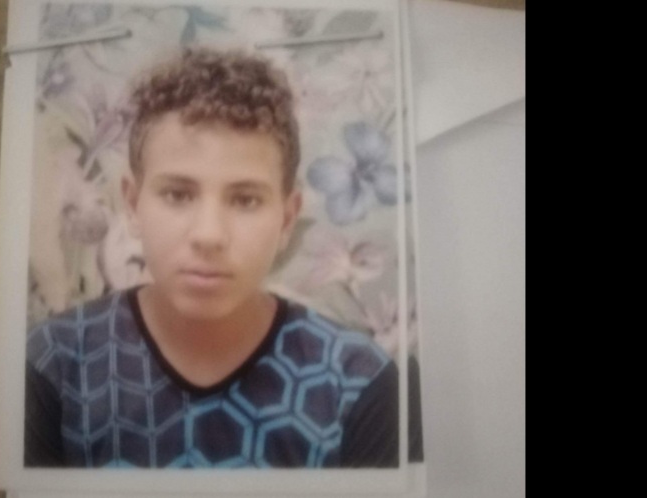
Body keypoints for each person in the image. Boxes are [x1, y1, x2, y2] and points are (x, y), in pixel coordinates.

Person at [24, 47, 401, 468]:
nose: (209, 235)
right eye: (177, 194)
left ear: (287, 219)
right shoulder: (50, 365)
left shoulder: (361, 384)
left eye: (245, 200)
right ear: (132, 205)